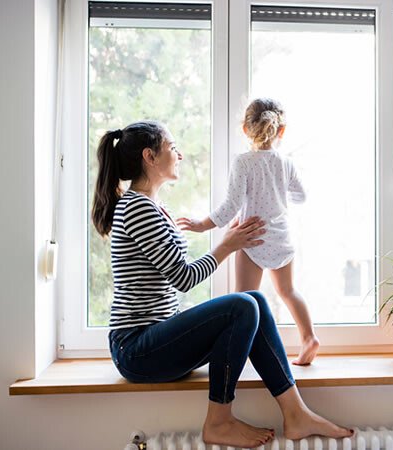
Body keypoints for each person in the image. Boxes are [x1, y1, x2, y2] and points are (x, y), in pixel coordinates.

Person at [91, 121, 352, 448]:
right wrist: (227, 245)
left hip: (155, 340)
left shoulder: (151, 207)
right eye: (172, 148)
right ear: (150, 157)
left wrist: (227, 242)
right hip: (136, 349)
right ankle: (219, 420)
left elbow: (172, 272)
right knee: (242, 305)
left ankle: (295, 413)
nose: (180, 154)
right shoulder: (138, 208)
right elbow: (183, 277)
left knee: (254, 300)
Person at [183, 98, 320, 365]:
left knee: (243, 301)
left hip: (251, 237)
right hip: (281, 237)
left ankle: (242, 351)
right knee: (288, 291)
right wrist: (277, 197)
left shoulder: (243, 163)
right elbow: (301, 196)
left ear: (245, 130)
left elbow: (231, 206)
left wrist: (201, 224)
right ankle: (309, 338)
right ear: (281, 131)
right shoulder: (285, 162)